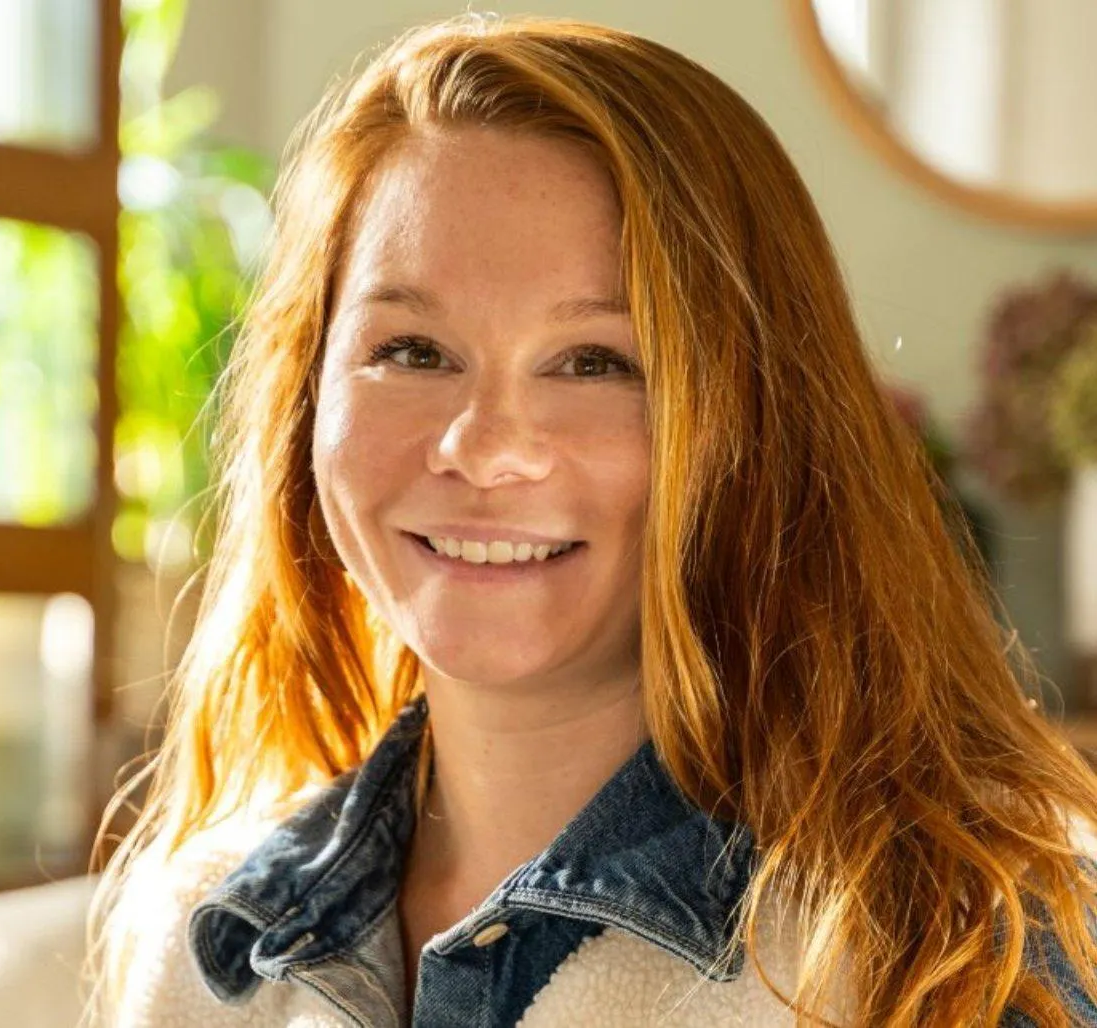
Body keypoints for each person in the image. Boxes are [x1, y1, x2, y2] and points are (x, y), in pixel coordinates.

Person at [83, 13, 1097, 1027]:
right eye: (412, 351)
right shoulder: (201, 945)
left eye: (594, 362)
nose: (482, 446)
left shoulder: (958, 940)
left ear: (760, 427)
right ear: (308, 393)